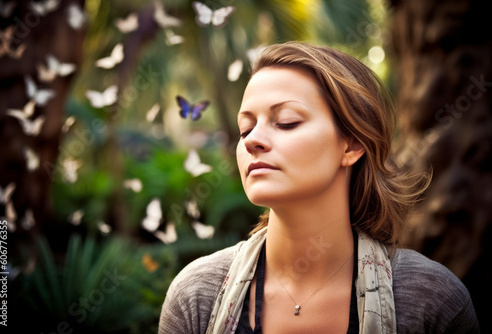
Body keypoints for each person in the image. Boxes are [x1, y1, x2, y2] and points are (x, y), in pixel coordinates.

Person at [158, 41, 479, 333]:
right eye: (245, 129)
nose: (252, 139)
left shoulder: (431, 300)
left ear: (351, 145)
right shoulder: (197, 296)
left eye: (286, 122)